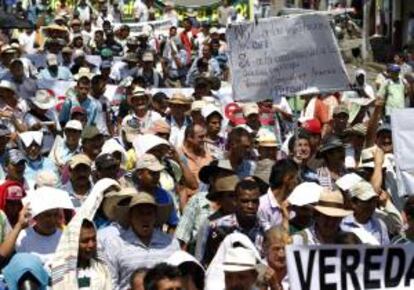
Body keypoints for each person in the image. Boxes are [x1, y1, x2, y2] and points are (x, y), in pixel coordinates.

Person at [103, 192, 180, 290]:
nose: (145, 218)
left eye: (149, 213)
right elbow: (110, 284)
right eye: (140, 213)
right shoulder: (115, 245)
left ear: (155, 216)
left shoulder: (171, 243)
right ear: (130, 217)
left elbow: (177, 280)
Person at [196, 179, 263, 266]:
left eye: (254, 201)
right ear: (236, 201)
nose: (250, 206)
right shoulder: (218, 227)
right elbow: (206, 262)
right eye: (245, 201)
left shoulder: (265, 229)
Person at [16, 186, 74, 265]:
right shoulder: (22, 238)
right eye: (47, 215)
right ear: (35, 216)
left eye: (55, 214)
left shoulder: (66, 236)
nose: (52, 220)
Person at [132, 153, 179, 229]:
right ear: (139, 174)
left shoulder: (165, 196)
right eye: (152, 173)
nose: (156, 177)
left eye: (158, 173)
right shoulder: (131, 195)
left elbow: (173, 224)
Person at [341, 181, 390, 245]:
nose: (371, 205)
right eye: (367, 201)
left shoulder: (380, 225)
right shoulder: (343, 226)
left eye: (374, 200)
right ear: (354, 203)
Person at [258, 159, 299, 231]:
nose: (297, 182)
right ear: (287, 178)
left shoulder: (294, 204)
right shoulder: (261, 205)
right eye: (296, 178)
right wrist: (285, 218)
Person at [178, 124, 213, 205]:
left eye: (205, 136)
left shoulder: (208, 156)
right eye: (201, 137)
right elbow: (180, 188)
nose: (204, 139)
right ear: (189, 137)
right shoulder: (179, 156)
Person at [77, 219, 112, 289]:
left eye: (94, 239)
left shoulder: (102, 268)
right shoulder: (62, 272)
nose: (91, 245)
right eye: (85, 241)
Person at [23, 89, 60, 154]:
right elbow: (25, 135)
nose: (44, 109)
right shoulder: (28, 116)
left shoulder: (52, 113)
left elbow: (58, 134)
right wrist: (33, 129)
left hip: (52, 152)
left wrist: (53, 129)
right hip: (36, 153)